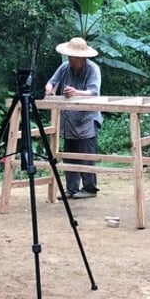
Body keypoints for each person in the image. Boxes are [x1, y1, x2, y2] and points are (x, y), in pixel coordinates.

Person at [44, 37, 102, 199]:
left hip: (87, 119)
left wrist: (76, 92)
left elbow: (93, 91)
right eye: (69, 57)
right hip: (69, 119)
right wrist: (49, 89)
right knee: (69, 154)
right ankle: (71, 189)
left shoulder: (93, 69)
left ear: (82, 57)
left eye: (73, 57)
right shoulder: (64, 67)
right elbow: (51, 82)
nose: (71, 60)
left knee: (86, 154)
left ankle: (89, 188)